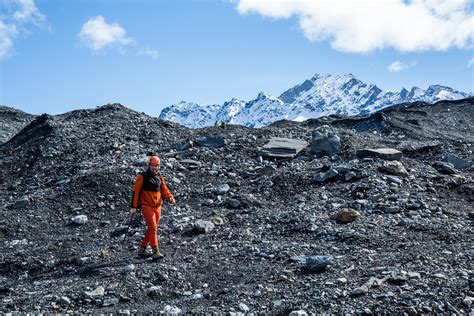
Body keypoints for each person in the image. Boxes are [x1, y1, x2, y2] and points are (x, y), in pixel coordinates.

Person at [130, 155, 176, 259]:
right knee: (153, 228)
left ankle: (142, 250)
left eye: (157, 165)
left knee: (151, 228)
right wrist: (133, 206)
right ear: (149, 165)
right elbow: (135, 192)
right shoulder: (142, 176)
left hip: (158, 207)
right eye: (153, 165)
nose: (155, 167)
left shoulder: (159, 177)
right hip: (146, 206)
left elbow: (164, 189)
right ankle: (156, 251)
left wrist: (170, 197)